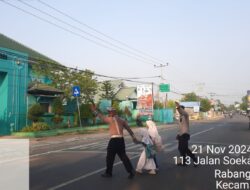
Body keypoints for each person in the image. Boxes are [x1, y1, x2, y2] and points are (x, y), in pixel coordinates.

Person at [91, 105, 137, 179]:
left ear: (112, 112)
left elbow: (101, 117)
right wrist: (133, 137)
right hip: (121, 140)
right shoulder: (122, 120)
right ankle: (131, 171)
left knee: (110, 157)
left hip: (114, 141)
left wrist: (94, 110)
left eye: (109, 112)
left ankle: (108, 173)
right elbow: (129, 129)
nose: (108, 113)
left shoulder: (110, 119)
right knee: (123, 156)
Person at [175, 101, 197, 166]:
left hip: (185, 135)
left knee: (185, 148)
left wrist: (178, 107)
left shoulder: (186, 115)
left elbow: (183, 112)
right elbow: (180, 127)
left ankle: (194, 158)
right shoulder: (180, 117)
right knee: (180, 148)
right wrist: (178, 134)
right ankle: (184, 162)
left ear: (182, 110)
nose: (178, 111)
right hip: (181, 135)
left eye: (179, 110)